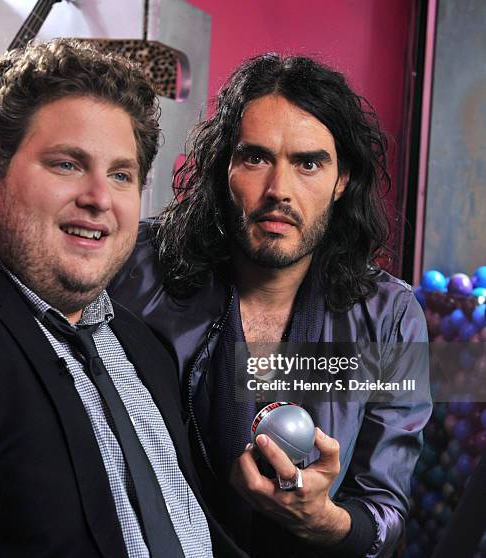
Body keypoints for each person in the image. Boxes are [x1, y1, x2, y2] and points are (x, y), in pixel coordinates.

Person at [0, 39, 245, 558]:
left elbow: (191, 530)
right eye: (68, 164)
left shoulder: (146, 349)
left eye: (121, 175)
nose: (99, 198)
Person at [110, 53, 432, 557]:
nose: (279, 191)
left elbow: (386, 512)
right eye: (256, 158)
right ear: (225, 167)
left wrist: (328, 522)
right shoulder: (134, 269)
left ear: (342, 179)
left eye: (308, 163)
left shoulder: (390, 318)